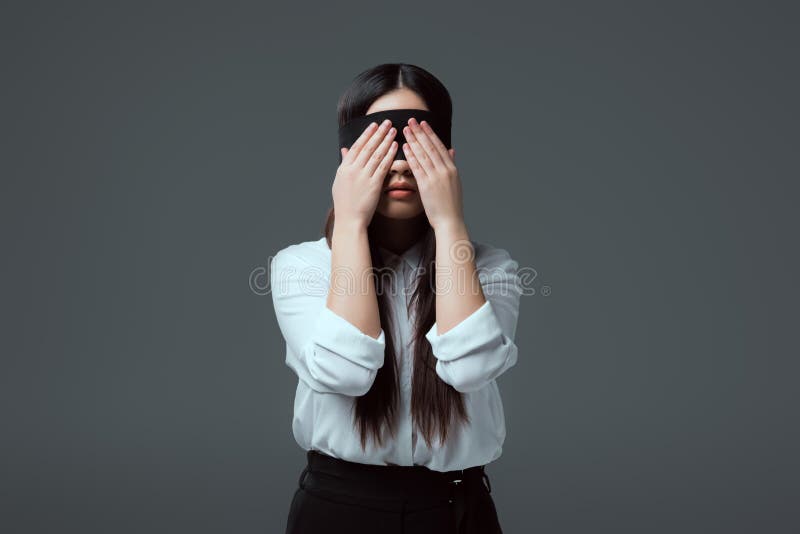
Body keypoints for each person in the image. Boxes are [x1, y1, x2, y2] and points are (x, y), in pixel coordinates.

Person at [270, 63, 522, 534]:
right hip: (338, 512)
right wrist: (348, 223)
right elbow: (344, 372)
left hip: (455, 513)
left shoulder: (492, 269)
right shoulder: (301, 267)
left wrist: (449, 222)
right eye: (381, 143)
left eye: (418, 142)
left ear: (446, 154)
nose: (402, 161)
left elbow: (470, 369)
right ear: (348, 156)